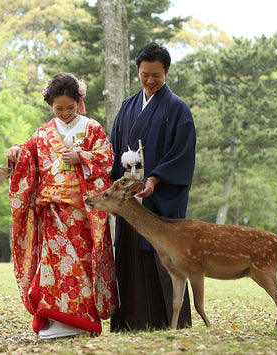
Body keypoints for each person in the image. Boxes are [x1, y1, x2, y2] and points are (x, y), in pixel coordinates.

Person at [7, 73, 118, 339]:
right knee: (54, 265)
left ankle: (82, 322)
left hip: (82, 212)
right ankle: (54, 323)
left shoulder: (92, 128)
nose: (65, 113)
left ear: (78, 101)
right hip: (52, 211)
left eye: (70, 107)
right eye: (59, 108)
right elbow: (27, 153)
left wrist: (81, 156)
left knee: (81, 264)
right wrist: (15, 150)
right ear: (50, 105)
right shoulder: (43, 133)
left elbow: (107, 158)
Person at [109, 43, 196, 331]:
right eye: (145, 74)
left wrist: (156, 178)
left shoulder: (177, 108)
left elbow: (182, 154)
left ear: (167, 72)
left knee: (162, 255)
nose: (149, 80)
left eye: (156, 75)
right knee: (131, 254)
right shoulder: (128, 106)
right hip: (130, 196)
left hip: (159, 197)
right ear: (138, 71)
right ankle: (132, 322)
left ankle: (171, 323)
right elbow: (114, 148)